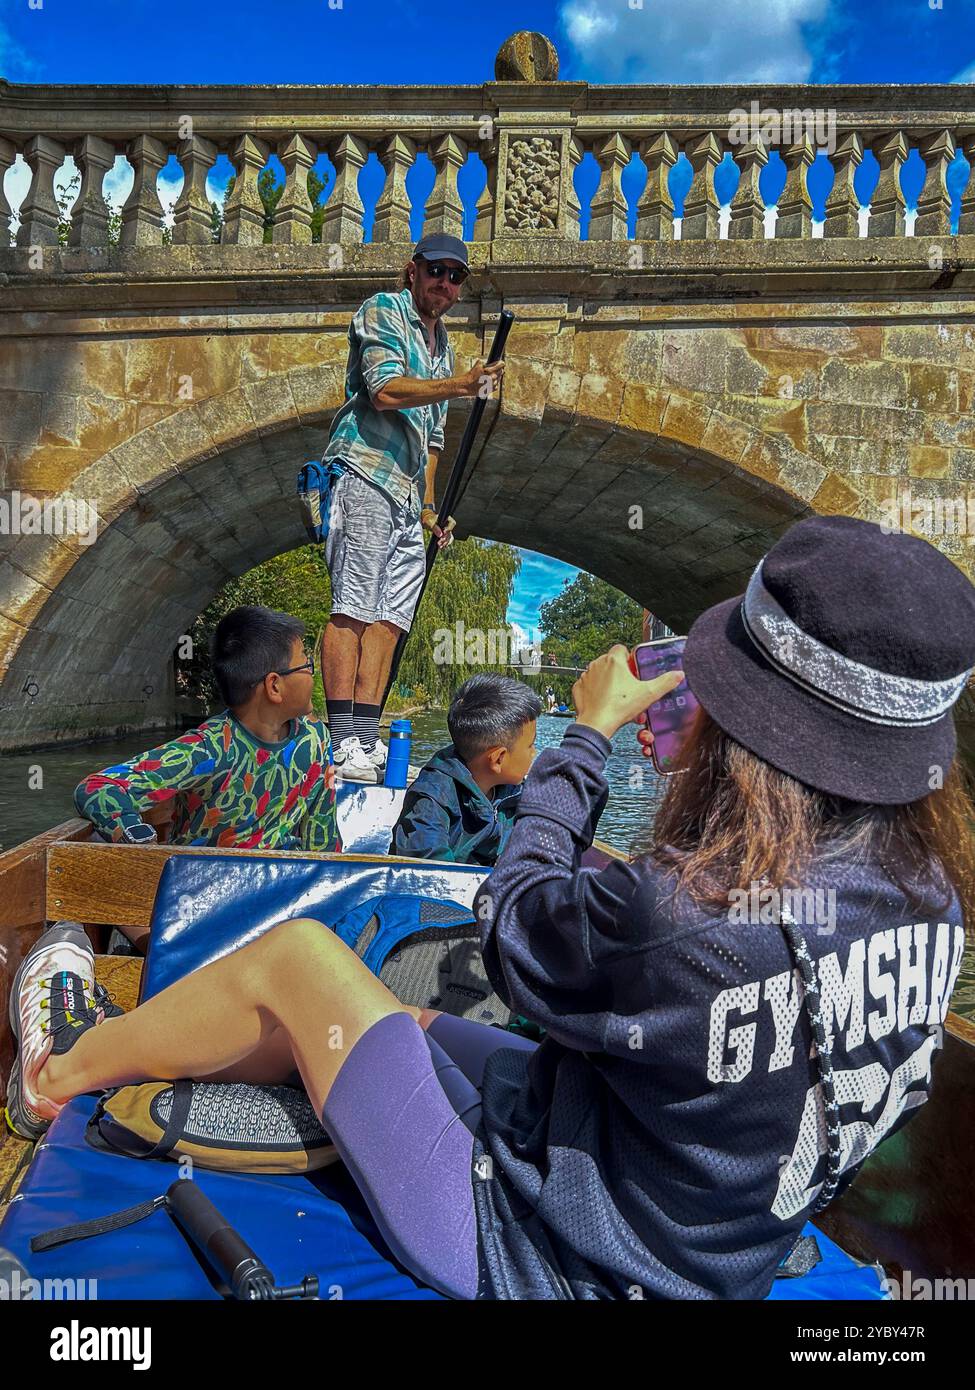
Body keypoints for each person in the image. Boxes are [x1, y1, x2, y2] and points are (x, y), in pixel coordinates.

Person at [12, 517, 975, 1299]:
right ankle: (168, 1043)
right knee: (412, 1021)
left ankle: (60, 1071)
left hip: (539, 1255)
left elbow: (512, 919)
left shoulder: (683, 907)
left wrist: (587, 737)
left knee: (300, 957)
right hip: (714, 1240)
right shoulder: (932, 902)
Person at [319, 233, 504, 785]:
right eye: (436, 271)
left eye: (456, 277)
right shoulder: (383, 310)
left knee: (390, 619)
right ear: (413, 270)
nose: (445, 284)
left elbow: (433, 442)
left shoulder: (443, 343)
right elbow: (384, 391)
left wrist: (429, 509)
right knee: (354, 605)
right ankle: (336, 743)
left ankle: (364, 739)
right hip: (364, 472)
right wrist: (461, 385)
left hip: (404, 495)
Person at [75, 606, 340, 861]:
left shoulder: (315, 739)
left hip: (277, 890)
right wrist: (136, 835)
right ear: (274, 686)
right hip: (199, 889)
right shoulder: (209, 748)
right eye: (306, 666)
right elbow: (99, 787)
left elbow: (322, 841)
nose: (311, 674)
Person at [390, 674, 541, 865]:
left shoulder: (515, 790)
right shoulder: (431, 802)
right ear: (498, 759)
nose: (534, 753)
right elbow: (428, 876)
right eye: (530, 745)